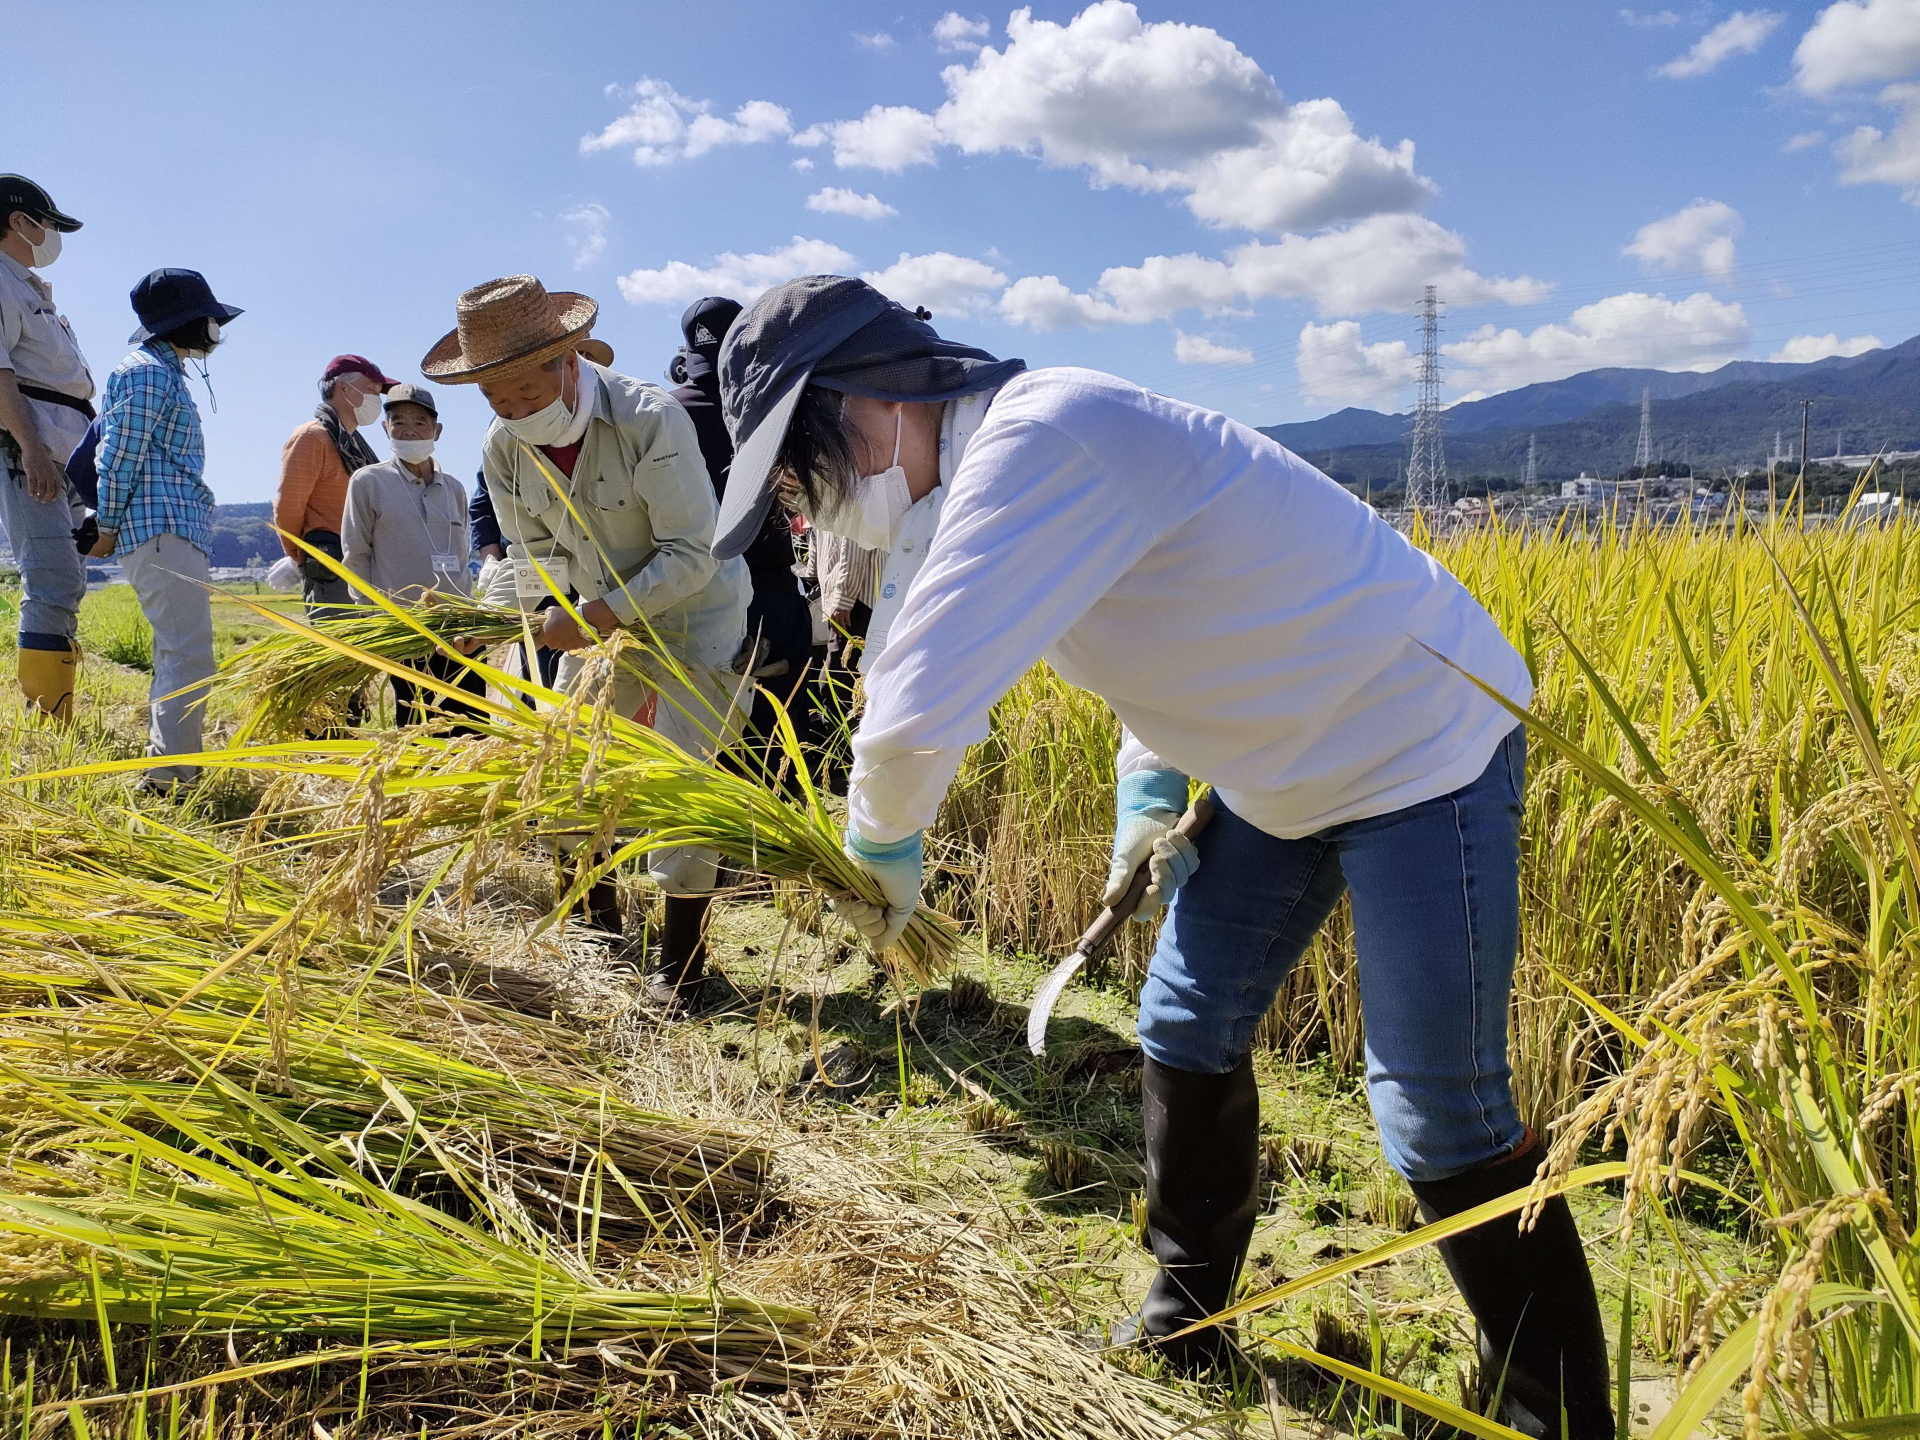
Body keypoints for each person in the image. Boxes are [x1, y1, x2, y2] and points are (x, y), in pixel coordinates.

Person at [711, 276, 1613, 1437]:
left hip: (1413, 748)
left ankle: (1557, 1413)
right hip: (1272, 772)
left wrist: (879, 842)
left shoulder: (1047, 435)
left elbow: (913, 703)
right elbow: (1164, 624)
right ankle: (1186, 1310)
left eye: (801, 465)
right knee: (1183, 1025)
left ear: (868, 403)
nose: (813, 500)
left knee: (1438, 1109)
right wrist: (1149, 788)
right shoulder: (1005, 470)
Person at [423, 275, 749, 1011]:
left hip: (694, 613)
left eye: (524, 397)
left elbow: (693, 552)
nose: (513, 414)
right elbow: (529, 562)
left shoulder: (649, 420)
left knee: (680, 776)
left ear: (567, 365)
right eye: (495, 402)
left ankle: (683, 969)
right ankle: (602, 943)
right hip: (600, 621)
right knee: (568, 766)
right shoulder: (505, 449)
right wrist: (488, 624)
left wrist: (596, 614)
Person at [91, 268, 242, 793]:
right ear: (189, 320)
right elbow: (119, 455)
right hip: (161, 528)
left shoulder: (159, 369)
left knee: (178, 651)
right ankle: (168, 779)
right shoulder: (148, 373)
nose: (215, 327)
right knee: (187, 653)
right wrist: (105, 526)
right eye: (210, 318)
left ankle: (172, 770)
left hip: (167, 528)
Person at [665, 296, 816, 786]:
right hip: (771, 588)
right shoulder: (775, 407)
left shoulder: (663, 414)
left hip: (695, 595)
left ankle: (714, 843)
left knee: (707, 731)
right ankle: (780, 838)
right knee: (779, 728)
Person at [0, 175, 93, 721]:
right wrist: (30, 449)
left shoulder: (30, 287)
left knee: (68, 574)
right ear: (19, 222)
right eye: (48, 224)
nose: (52, 235)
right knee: (53, 575)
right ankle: (48, 717)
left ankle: (53, 705)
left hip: (62, 449)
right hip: (27, 451)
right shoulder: (1, 282)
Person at [340, 382, 484, 729]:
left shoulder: (454, 488)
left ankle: (469, 782)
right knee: (418, 719)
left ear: (436, 430)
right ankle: (422, 782)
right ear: (385, 427)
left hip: (457, 626)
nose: (408, 429)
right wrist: (373, 619)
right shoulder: (368, 482)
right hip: (405, 627)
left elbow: (461, 557)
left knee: (473, 718)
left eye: (420, 422)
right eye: (399, 420)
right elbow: (356, 555)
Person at [275, 353, 399, 617]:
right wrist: (301, 557)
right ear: (343, 388)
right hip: (330, 569)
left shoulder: (353, 444)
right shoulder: (312, 437)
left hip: (365, 569)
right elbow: (288, 508)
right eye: (371, 391)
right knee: (343, 653)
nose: (377, 401)